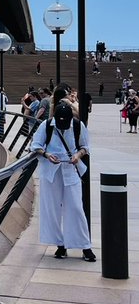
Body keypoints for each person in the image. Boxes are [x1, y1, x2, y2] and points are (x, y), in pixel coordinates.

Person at [30, 96, 95, 261]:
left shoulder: (78, 126)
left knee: (75, 208)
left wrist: (77, 156)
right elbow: (35, 145)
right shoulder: (47, 126)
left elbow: (85, 147)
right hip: (51, 172)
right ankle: (60, 245)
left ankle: (85, 246)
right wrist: (47, 154)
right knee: (51, 209)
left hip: (70, 169)